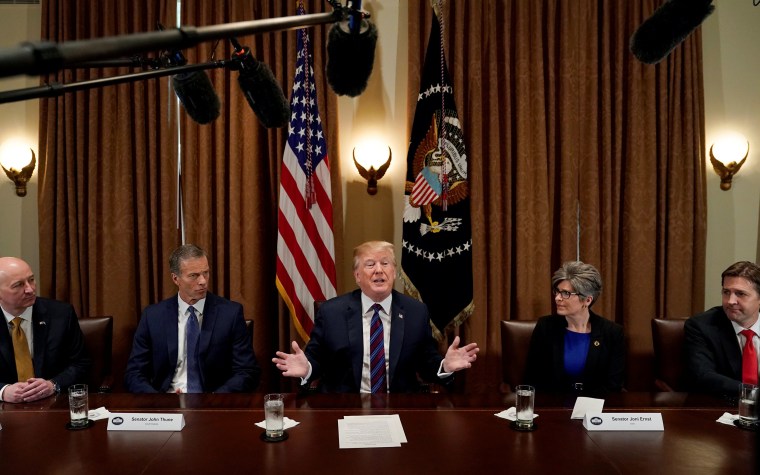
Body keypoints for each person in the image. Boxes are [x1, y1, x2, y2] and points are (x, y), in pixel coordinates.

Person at [273, 240, 479, 393]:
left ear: (395, 271)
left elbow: (427, 363)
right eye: (370, 264)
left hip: (400, 405)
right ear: (357, 276)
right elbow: (316, 359)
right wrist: (306, 368)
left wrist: (445, 366)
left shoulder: (416, 311)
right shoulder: (331, 312)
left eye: (385, 263)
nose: (379, 270)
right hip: (344, 405)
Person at [124, 244, 260, 393]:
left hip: (213, 403)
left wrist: (214, 398)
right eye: (194, 275)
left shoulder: (230, 314)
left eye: (206, 273)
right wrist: (158, 401)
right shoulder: (153, 316)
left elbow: (247, 371)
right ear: (176, 279)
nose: (203, 281)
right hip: (166, 404)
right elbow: (134, 373)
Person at [524, 261, 625, 395]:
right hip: (552, 406)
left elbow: (614, 384)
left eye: (566, 293)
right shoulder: (545, 327)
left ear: (587, 300)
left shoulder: (612, 332)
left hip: (595, 408)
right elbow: (532, 377)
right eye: (557, 291)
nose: (557, 298)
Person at [0, 257, 90, 403]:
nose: (30, 289)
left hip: (53, 404)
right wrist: (3, 391)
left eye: (31, 280)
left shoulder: (61, 314)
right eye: (18, 285)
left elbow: (81, 364)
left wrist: (53, 385)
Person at [684, 261, 760, 396]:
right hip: (723, 407)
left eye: (740, 294)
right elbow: (703, 376)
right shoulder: (701, 326)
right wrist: (754, 394)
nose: (730, 301)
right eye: (726, 292)